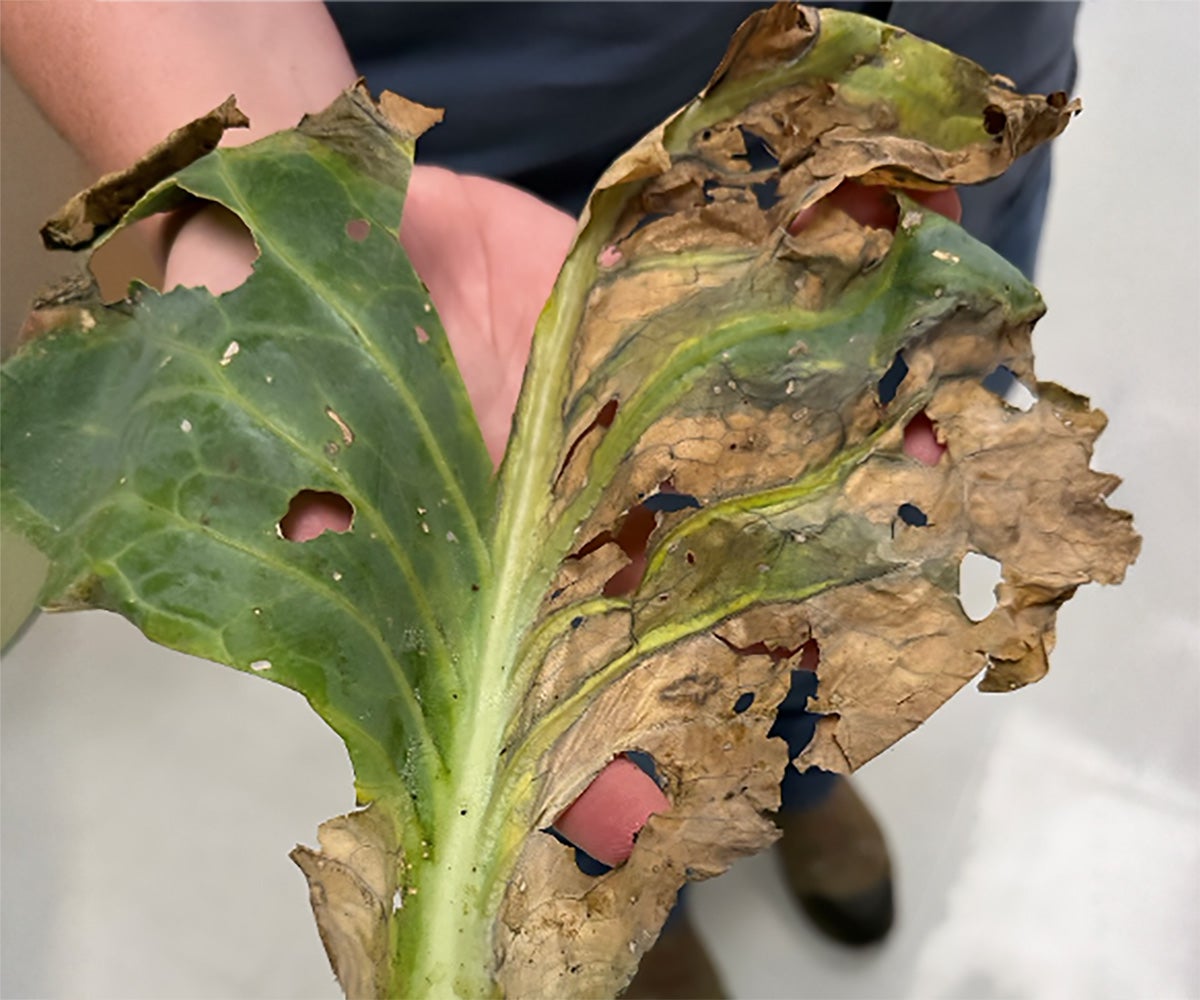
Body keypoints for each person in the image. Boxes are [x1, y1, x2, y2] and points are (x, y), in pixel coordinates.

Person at [2, 4, 1078, 997]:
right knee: (600, 699)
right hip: (492, 164)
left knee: (825, 595)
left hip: (928, 152)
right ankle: (645, 906)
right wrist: (290, 216)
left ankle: (804, 796)